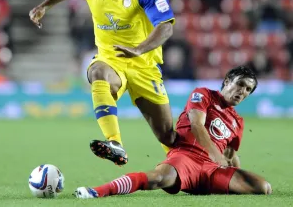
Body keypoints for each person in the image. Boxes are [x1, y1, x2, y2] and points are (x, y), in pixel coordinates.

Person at [29, 0, 177, 166]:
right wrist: (44, 6)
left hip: (144, 65)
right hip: (111, 59)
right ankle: (115, 143)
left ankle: (191, 166)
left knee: (167, 136)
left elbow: (166, 26)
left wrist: (138, 49)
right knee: (98, 71)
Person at [74, 66, 272, 198]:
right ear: (228, 80)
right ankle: (96, 192)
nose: (242, 91)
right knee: (157, 179)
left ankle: (204, 185)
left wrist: (235, 170)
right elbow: (196, 124)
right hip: (186, 159)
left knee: (263, 188)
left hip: (212, 170)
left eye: (248, 89)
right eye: (240, 84)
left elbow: (230, 155)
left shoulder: (238, 121)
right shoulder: (203, 94)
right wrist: (214, 153)